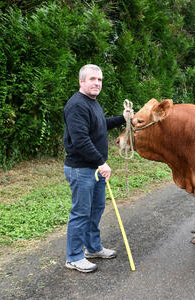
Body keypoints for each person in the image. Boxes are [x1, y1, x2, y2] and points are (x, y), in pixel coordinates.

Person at [63, 64, 133, 272]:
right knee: (81, 212)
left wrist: (123, 118)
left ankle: (92, 248)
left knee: (95, 211)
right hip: (82, 169)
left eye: (100, 80)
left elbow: (101, 124)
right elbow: (80, 140)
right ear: (81, 81)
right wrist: (101, 162)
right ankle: (74, 257)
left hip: (95, 170)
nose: (97, 83)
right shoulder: (76, 105)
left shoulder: (92, 103)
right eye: (92, 79)